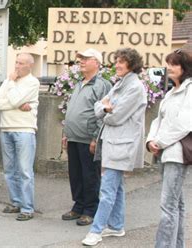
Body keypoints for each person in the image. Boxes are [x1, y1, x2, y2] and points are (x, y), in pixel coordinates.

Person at [82, 48, 147, 246]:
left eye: (122, 62)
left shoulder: (134, 87)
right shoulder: (120, 84)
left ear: (132, 65)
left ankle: (96, 230)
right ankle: (117, 226)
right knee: (116, 186)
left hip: (122, 143)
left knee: (108, 188)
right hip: (114, 142)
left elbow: (116, 116)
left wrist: (106, 109)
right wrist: (106, 108)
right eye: (116, 61)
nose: (117, 65)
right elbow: (98, 106)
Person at [146, 49, 192, 248]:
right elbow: (159, 120)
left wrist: (160, 142)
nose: (169, 68)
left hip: (176, 153)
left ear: (185, 68)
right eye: (168, 63)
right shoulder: (172, 92)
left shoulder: (189, 91)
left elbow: (184, 124)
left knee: (168, 207)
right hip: (166, 152)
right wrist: (151, 141)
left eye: (174, 64)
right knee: (176, 205)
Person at [62, 48, 111, 226]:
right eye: (80, 59)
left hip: (88, 138)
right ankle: (79, 205)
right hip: (74, 136)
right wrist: (66, 134)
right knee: (75, 174)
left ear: (97, 63)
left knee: (90, 175)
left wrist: (95, 138)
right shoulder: (79, 83)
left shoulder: (102, 85)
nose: (81, 61)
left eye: (86, 58)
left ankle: (90, 209)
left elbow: (103, 113)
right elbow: (71, 111)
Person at [0, 53, 40, 221]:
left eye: (21, 63)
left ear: (29, 66)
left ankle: (27, 208)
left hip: (24, 130)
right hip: (6, 128)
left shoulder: (33, 82)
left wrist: (13, 94)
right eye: (16, 62)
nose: (17, 66)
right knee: (9, 170)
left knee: (25, 171)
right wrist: (16, 103)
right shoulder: (9, 80)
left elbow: (13, 99)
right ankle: (16, 202)